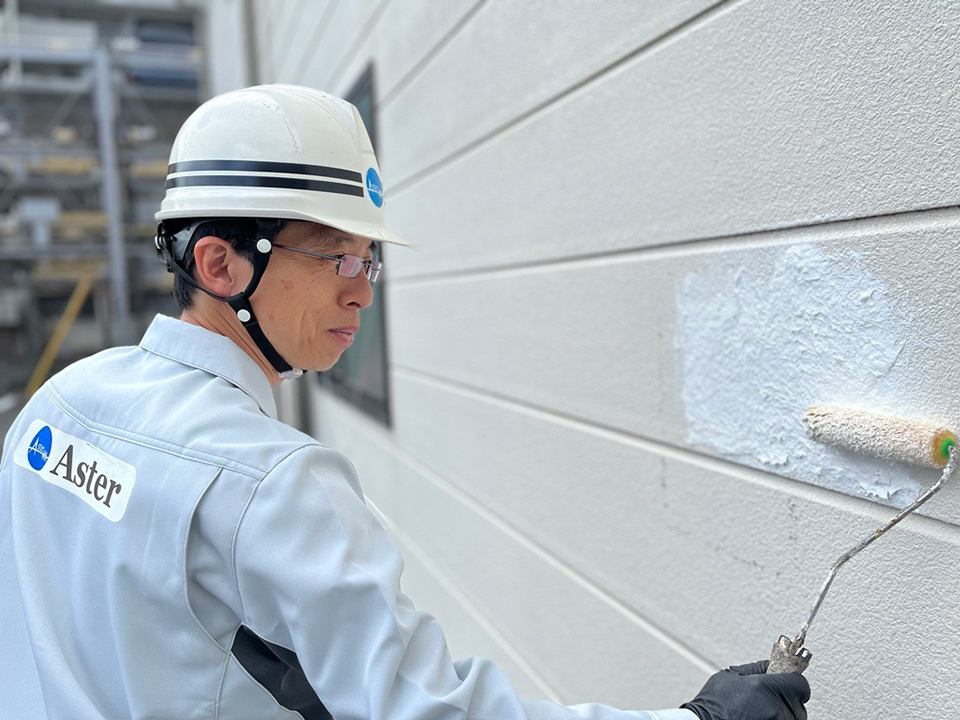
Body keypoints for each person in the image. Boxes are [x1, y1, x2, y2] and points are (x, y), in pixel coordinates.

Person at [0, 84, 810, 720]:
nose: (362, 295)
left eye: (368, 261)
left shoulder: (56, 410)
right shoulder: (271, 483)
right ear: (219, 265)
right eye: (333, 259)